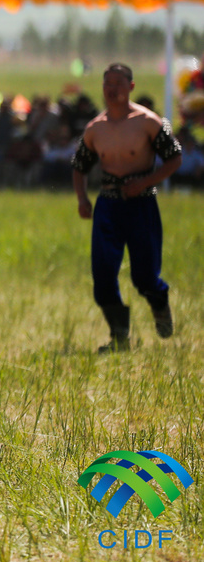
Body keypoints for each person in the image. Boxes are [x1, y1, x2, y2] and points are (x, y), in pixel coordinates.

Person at [72, 63, 182, 353]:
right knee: (103, 274)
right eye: (108, 83)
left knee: (144, 275)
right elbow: (79, 167)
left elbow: (174, 159)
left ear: (131, 86)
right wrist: (82, 199)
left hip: (141, 204)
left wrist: (147, 182)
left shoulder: (148, 121)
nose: (112, 89)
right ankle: (119, 337)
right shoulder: (96, 127)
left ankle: (159, 302)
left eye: (119, 83)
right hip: (108, 204)